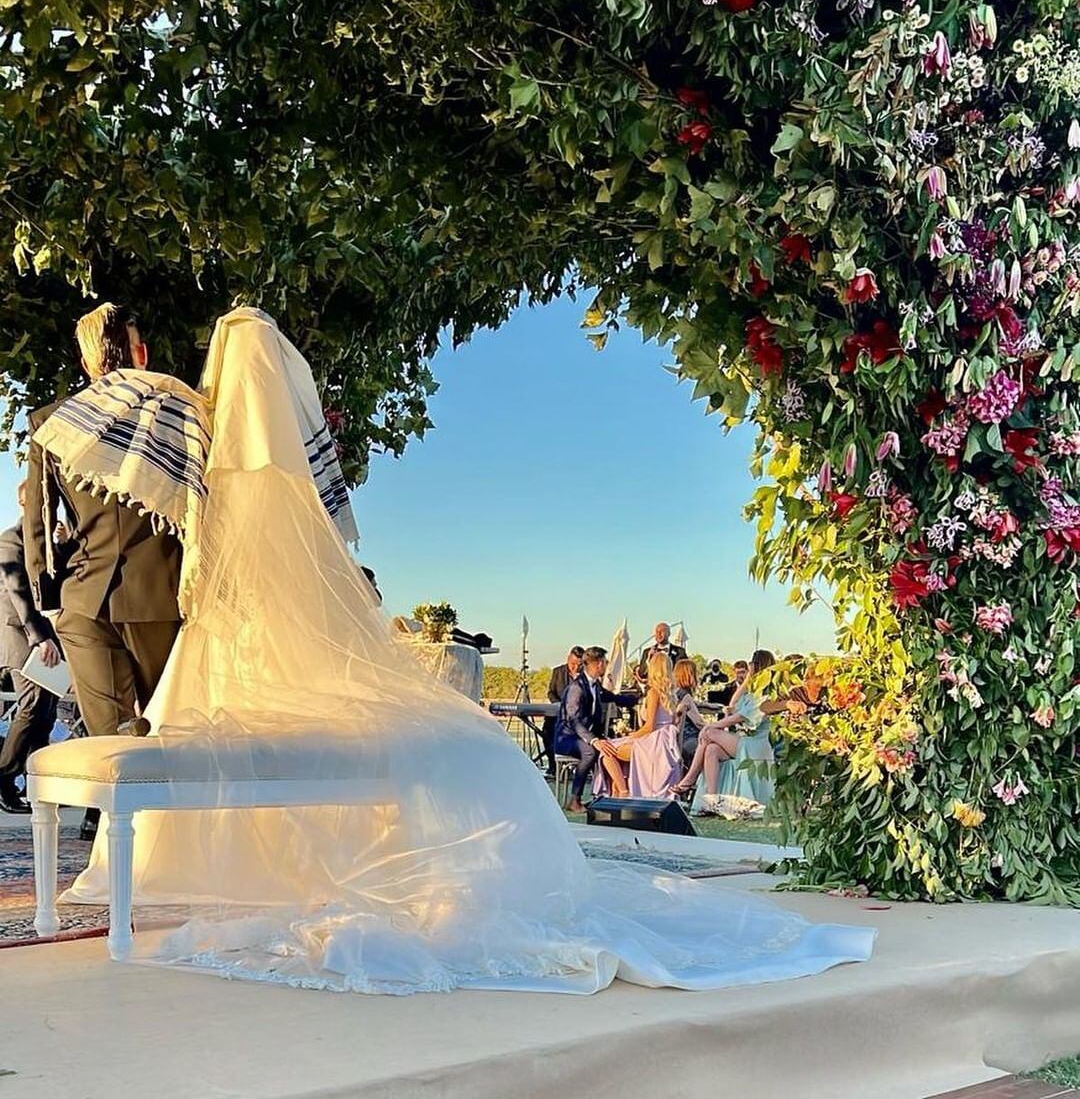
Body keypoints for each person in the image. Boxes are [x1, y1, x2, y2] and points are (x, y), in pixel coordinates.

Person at [62, 309, 874, 993]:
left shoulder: (203, 454)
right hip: (235, 621)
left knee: (201, 719)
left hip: (217, 627)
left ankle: (153, 865)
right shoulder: (282, 486)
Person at [24, 304, 183, 837]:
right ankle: (157, 848)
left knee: (111, 741)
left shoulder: (52, 422)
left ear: (86, 358)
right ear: (140, 353)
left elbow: (40, 525)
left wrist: (48, 604)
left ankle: (121, 853)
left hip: (83, 598)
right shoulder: (178, 414)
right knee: (164, 735)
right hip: (164, 593)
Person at [0, 482, 62, 813]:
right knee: (33, 703)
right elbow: (17, 590)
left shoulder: (46, 545)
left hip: (41, 635)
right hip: (20, 636)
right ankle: (4, 779)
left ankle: (39, 783)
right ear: (24, 504)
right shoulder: (10, 540)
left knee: (47, 711)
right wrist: (39, 637)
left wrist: (64, 546)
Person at [673, 648, 776, 815]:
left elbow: (739, 717)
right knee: (712, 749)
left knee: (709, 733)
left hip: (756, 744)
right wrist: (747, 679)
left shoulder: (766, 694)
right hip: (744, 740)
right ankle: (712, 800)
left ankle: (690, 777)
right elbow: (732, 705)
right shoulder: (752, 691)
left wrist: (712, 726)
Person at [553, 646, 636, 813]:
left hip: (584, 737)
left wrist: (637, 699)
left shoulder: (595, 685)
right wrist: (594, 740)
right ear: (599, 664)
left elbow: (612, 697)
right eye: (605, 662)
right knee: (591, 751)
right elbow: (573, 720)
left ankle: (611, 794)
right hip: (567, 738)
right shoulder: (577, 688)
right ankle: (574, 799)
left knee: (611, 748)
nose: (606, 665)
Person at [594, 652, 682, 799]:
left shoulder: (654, 693)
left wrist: (630, 736)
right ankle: (621, 789)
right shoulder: (671, 694)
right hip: (666, 743)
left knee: (607, 751)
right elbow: (672, 721)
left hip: (653, 742)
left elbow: (649, 727)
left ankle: (623, 791)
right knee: (612, 748)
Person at [543, 646, 584, 775]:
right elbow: (551, 692)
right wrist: (558, 705)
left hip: (577, 716)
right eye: (573, 664)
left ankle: (573, 765)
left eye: (579, 665)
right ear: (568, 659)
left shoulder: (585, 675)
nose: (575, 668)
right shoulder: (558, 671)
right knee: (547, 731)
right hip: (558, 712)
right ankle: (553, 765)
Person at [673, 657, 705, 769]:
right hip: (687, 739)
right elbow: (699, 723)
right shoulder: (685, 696)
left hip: (674, 739)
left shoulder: (674, 693)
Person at [635, 621, 687, 687]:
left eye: (662, 631)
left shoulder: (680, 652)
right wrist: (649, 660)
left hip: (674, 690)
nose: (658, 634)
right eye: (656, 632)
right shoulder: (647, 652)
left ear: (669, 633)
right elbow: (642, 675)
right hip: (653, 690)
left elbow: (684, 673)